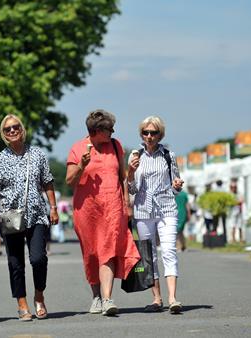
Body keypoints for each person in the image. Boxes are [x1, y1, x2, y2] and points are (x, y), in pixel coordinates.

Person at [66, 109, 140, 316]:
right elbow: (70, 181)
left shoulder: (115, 146)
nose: (113, 132)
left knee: (107, 251)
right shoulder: (78, 148)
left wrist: (127, 202)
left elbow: (123, 176)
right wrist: (82, 164)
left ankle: (107, 299)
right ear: (96, 131)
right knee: (91, 255)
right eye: (109, 129)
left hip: (113, 208)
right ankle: (96, 296)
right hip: (87, 211)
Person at [0, 114, 58, 321]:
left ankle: (39, 295)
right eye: (7, 129)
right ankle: (22, 303)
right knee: (15, 262)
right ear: (3, 133)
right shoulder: (0, 158)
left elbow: (47, 182)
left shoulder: (37, 154)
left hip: (36, 214)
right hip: (10, 216)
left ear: (22, 129)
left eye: (15, 127)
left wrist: (53, 208)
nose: (12, 131)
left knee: (38, 258)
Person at [127, 116, 184, 314]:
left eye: (154, 133)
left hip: (166, 208)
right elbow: (132, 189)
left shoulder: (168, 155)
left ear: (160, 135)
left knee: (168, 251)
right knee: (148, 256)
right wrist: (130, 172)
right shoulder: (135, 156)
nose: (149, 136)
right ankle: (157, 298)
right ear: (141, 134)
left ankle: (173, 298)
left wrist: (177, 185)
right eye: (146, 132)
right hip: (143, 210)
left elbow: (176, 186)